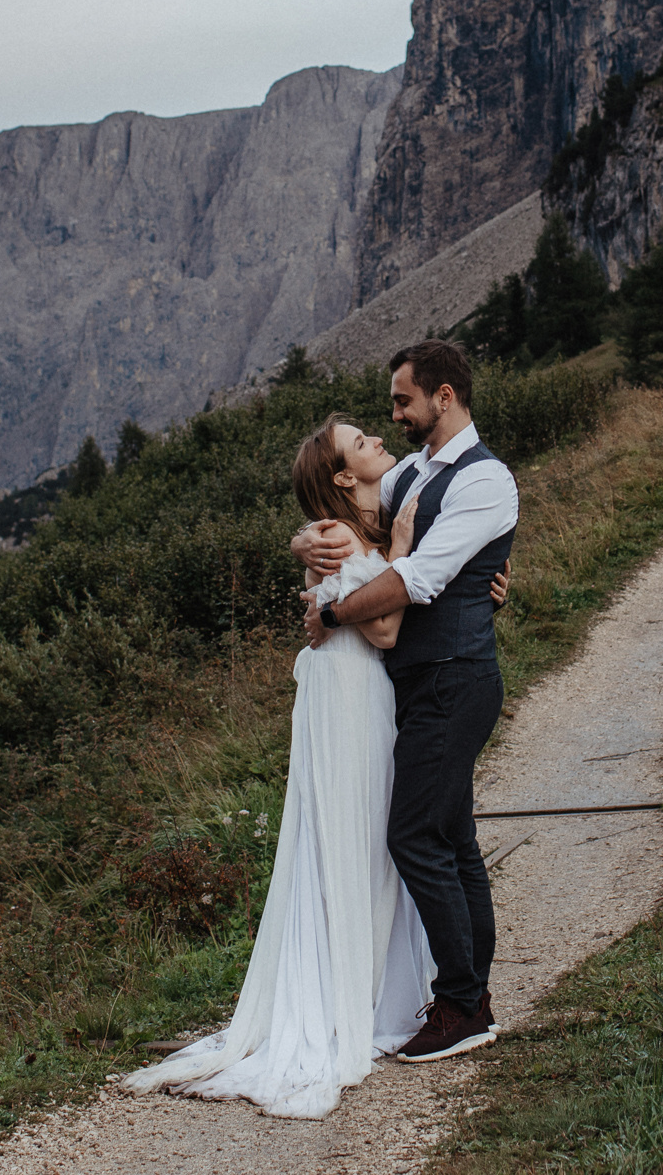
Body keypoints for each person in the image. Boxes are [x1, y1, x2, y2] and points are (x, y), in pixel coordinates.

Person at [120, 409, 470, 1117]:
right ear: (344, 475)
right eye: (359, 442)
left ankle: (368, 985)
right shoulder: (340, 533)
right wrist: (393, 549)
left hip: (354, 686)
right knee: (356, 830)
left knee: (366, 831)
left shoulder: (369, 517)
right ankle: (356, 993)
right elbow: (386, 626)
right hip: (345, 687)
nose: (376, 438)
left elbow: (392, 572)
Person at [292, 339, 517, 1063]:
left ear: (443, 397)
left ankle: (461, 1004)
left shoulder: (488, 481)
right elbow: (346, 515)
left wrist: (330, 614)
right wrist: (308, 541)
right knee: (453, 841)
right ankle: (469, 996)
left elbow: (415, 577)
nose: (394, 414)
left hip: (454, 678)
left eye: (402, 400)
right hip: (419, 684)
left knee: (413, 835)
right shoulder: (415, 473)